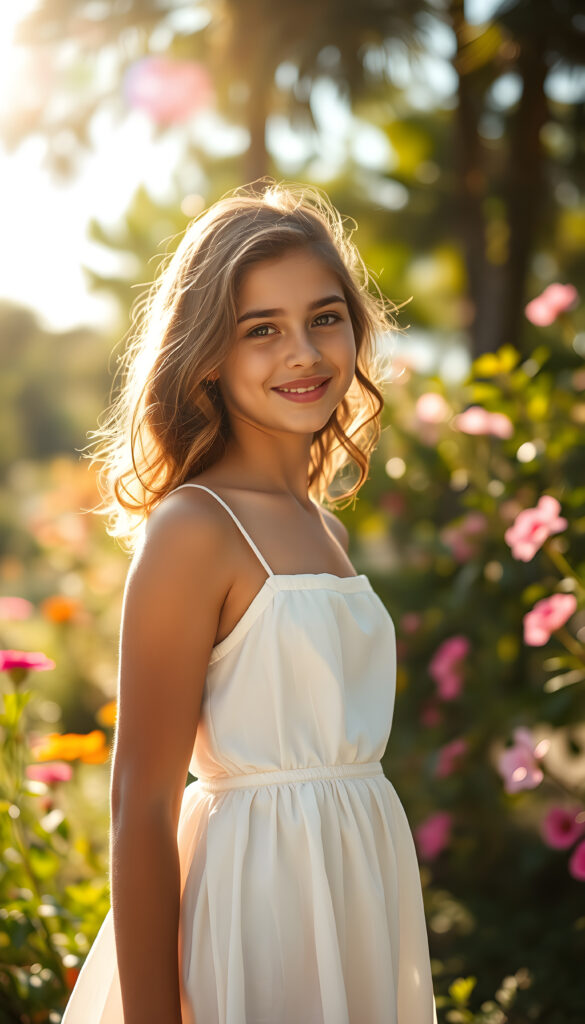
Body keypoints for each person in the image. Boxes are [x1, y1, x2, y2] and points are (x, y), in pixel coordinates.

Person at [62, 180, 437, 1024]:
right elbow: (142, 806)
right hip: (256, 914)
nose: (302, 352)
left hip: (353, 894)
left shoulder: (317, 521)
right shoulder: (197, 527)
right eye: (259, 330)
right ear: (208, 356)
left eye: (324, 317)